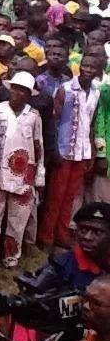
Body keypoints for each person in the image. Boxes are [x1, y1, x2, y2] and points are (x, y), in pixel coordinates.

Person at [0, 71, 44, 271]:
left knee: (17, 222)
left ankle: (11, 259)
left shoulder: (34, 116)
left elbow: (38, 146)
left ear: (28, 94)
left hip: (24, 177)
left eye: (23, 91)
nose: (17, 94)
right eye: (15, 89)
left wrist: (39, 178)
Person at [42, 54, 102, 249]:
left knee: (69, 197)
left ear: (98, 69)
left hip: (81, 151)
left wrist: (92, 152)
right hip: (63, 150)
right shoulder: (65, 89)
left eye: (93, 67)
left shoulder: (96, 92)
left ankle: (61, 233)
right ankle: (46, 235)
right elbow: (55, 122)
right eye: (85, 65)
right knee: (55, 196)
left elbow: (92, 124)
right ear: (79, 66)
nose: (88, 70)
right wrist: (55, 151)